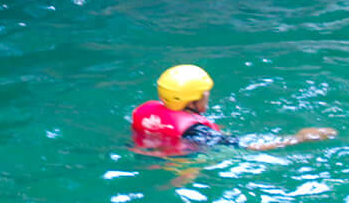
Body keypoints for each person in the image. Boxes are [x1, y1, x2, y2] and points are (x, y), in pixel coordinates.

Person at [129, 65, 335, 155]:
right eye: (206, 94)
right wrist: (298, 138)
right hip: (184, 161)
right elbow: (248, 146)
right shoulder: (197, 132)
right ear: (192, 102)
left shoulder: (148, 111)